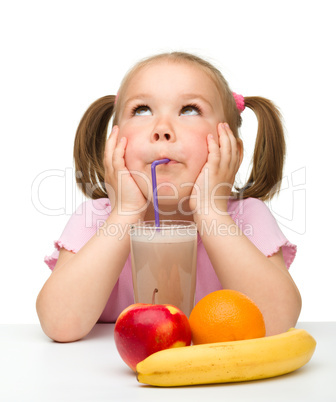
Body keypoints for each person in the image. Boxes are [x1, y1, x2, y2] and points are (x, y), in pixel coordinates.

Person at [36, 52, 301, 342]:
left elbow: (276, 324)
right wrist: (125, 212)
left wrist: (211, 211)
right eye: (141, 110)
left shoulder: (247, 218)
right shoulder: (96, 219)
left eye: (189, 109)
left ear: (232, 151)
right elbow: (58, 324)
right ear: (111, 143)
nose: (162, 130)